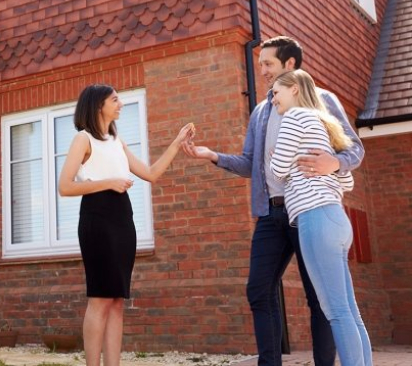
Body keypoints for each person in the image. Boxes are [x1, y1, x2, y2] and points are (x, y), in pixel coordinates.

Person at [181, 36, 364, 366]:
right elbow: (252, 163)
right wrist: (213, 156)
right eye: (260, 63)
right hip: (272, 213)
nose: (261, 69)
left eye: (267, 63)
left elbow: (354, 150)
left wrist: (333, 163)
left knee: (320, 297)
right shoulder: (262, 112)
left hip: (310, 210)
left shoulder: (321, 100)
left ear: (290, 65)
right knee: (259, 290)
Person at [58, 84, 194, 366]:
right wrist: (109, 183)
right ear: (98, 105)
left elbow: (151, 173)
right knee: (100, 298)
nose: (120, 104)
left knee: (117, 299)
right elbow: (65, 186)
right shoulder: (83, 140)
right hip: (98, 218)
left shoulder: (117, 142)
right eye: (115, 99)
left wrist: (177, 143)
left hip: (123, 219)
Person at [269, 69, 371, 366]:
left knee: (336, 311)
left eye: (277, 91)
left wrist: (281, 158)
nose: (273, 98)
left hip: (315, 220)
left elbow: (276, 170)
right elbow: (347, 181)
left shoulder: (294, 118)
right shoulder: (324, 124)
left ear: (295, 90)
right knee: (349, 310)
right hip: (337, 220)